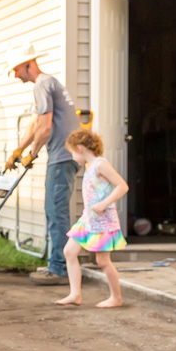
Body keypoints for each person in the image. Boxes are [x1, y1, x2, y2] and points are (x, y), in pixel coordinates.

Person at [2, 44, 81, 285]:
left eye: (16, 70)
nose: (15, 75)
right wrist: (19, 150)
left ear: (29, 65)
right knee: (54, 211)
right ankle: (57, 263)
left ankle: (59, 269)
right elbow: (36, 123)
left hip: (62, 157)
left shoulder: (42, 84)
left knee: (56, 213)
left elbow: (45, 128)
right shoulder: (47, 84)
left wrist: (32, 153)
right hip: (64, 157)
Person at [55, 128, 128, 308]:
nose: (72, 157)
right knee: (69, 251)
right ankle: (75, 294)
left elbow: (122, 186)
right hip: (88, 219)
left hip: (103, 221)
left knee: (102, 261)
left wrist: (104, 203)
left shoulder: (100, 165)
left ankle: (116, 298)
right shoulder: (89, 167)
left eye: (72, 152)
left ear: (80, 148)